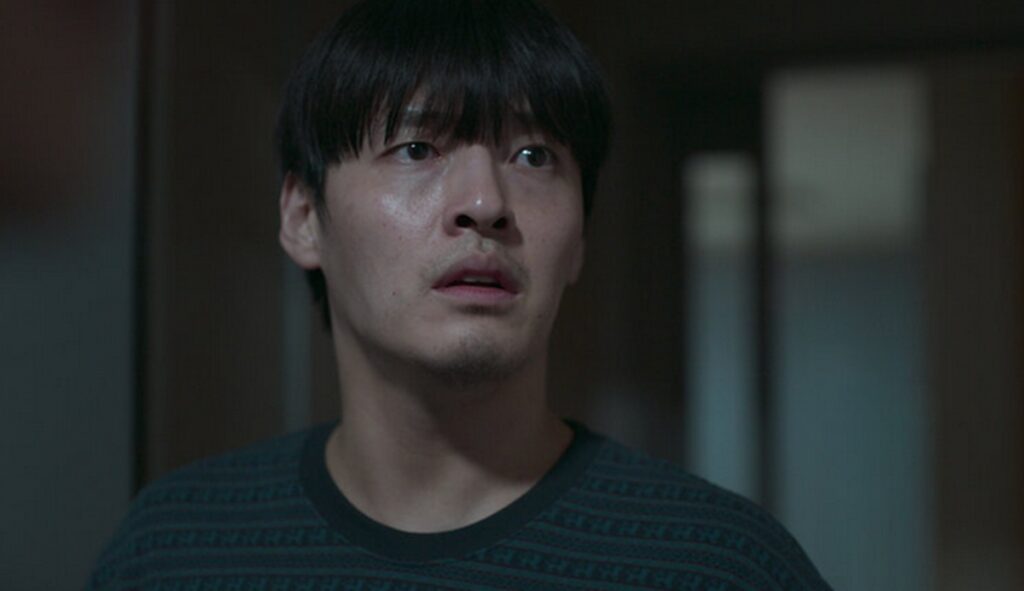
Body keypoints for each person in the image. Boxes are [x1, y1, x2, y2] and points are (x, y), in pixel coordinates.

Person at [88, 1, 832, 589]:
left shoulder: (718, 564)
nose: (485, 203)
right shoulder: (173, 552)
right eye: (417, 148)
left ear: (579, 239)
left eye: (533, 156)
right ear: (303, 216)